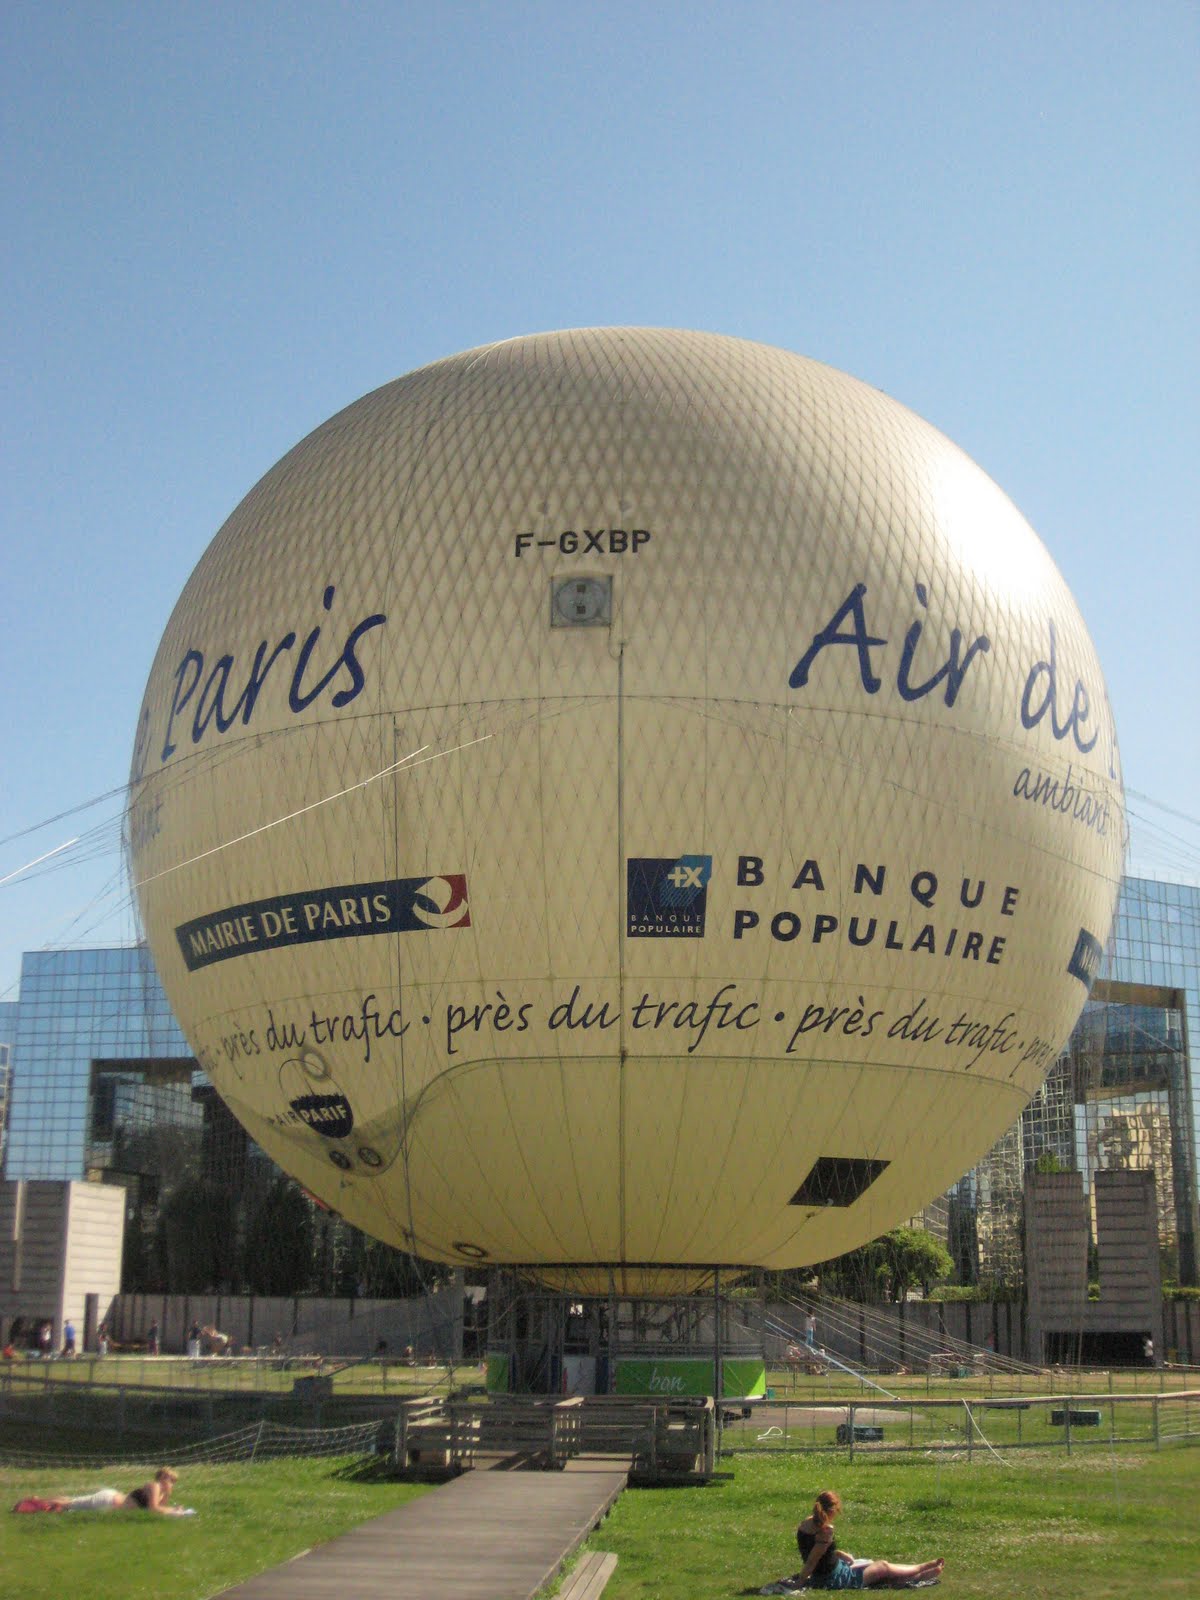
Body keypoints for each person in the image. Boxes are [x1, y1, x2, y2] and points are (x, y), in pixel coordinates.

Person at [795, 1492, 944, 1590]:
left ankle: (920, 1573)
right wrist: (800, 1583)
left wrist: (840, 1554)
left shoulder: (806, 1523)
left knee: (872, 1566)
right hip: (833, 1579)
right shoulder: (825, 1531)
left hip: (833, 1571)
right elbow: (812, 1560)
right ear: (832, 1511)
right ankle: (920, 1569)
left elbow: (818, 1554)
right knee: (882, 1567)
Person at [14, 1468, 189, 1516]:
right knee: (69, 1505)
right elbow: (153, 1509)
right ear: (161, 1478)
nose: (170, 1483)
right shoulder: (154, 1486)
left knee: (72, 1501)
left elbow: (159, 1509)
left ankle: (39, 1500)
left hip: (111, 1499)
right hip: (108, 1502)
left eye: (173, 1481)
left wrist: (172, 1504)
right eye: (169, 1479)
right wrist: (175, 1511)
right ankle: (32, 1503)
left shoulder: (160, 1492)